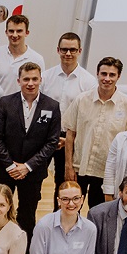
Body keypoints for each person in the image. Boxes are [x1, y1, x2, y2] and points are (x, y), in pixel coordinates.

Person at [0, 62, 61, 244]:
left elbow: (52, 141)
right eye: (26, 79)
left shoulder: (51, 106)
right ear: (19, 80)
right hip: (5, 169)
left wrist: (28, 166)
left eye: (34, 79)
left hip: (33, 171)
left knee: (28, 212)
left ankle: (24, 249)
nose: (30, 83)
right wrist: (11, 165)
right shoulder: (5, 103)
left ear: (40, 80)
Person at [62, 56, 127, 210]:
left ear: (118, 77)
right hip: (79, 167)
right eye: (103, 74)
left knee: (98, 213)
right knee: (69, 208)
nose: (107, 79)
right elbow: (70, 134)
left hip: (106, 171)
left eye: (112, 75)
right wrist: (68, 166)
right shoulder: (82, 100)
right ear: (97, 74)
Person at [41, 33, 96, 204]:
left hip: (70, 137)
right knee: (34, 180)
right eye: (64, 49)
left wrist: (69, 139)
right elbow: (39, 107)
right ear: (58, 50)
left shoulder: (88, 81)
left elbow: (88, 116)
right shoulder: (46, 76)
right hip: (44, 134)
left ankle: (60, 218)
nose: (68, 53)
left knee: (63, 182)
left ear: (79, 51)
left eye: (72, 50)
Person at [0, 14, 45, 93]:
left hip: (24, 105)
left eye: (19, 31)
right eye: (11, 31)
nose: (15, 35)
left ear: (27, 33)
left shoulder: (37, 59)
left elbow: (39, 89)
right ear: (6, 32)